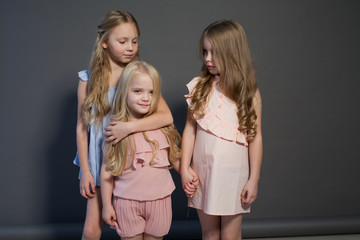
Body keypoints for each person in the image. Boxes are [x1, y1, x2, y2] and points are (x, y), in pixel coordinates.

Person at [74, 11, 174, 240]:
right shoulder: (88, 80)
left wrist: (126, 129)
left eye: (135, 41)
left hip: (128, 160)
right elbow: (82, 128)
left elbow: (166, 116)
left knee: (132, 224)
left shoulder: (135, 76)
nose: (130, 47)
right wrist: (86, 171)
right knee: (91, 227)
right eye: (123, 41)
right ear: (104, 42)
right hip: (100, 160)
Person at [180, 20, 263, 240]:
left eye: (214, 53)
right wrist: (184, 167)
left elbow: (255, 138)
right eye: (205, 51)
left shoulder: (248, 94)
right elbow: (190, 130)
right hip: (203, 172)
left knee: (230, 235)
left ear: (232, 53)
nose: (207, 58)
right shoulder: (200, 88)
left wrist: (253, 179)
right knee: (209, 234)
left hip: (233, 175)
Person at [100, 61, 197, 240]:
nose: (146, 98)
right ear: (124, 92)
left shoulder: (161, 126)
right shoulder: (116, 132)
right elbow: (107, 172)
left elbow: (173, 157)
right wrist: (107, 205)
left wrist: (186, 172)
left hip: (159, 201)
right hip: (126, 202)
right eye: (138, 91)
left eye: (151, 92)